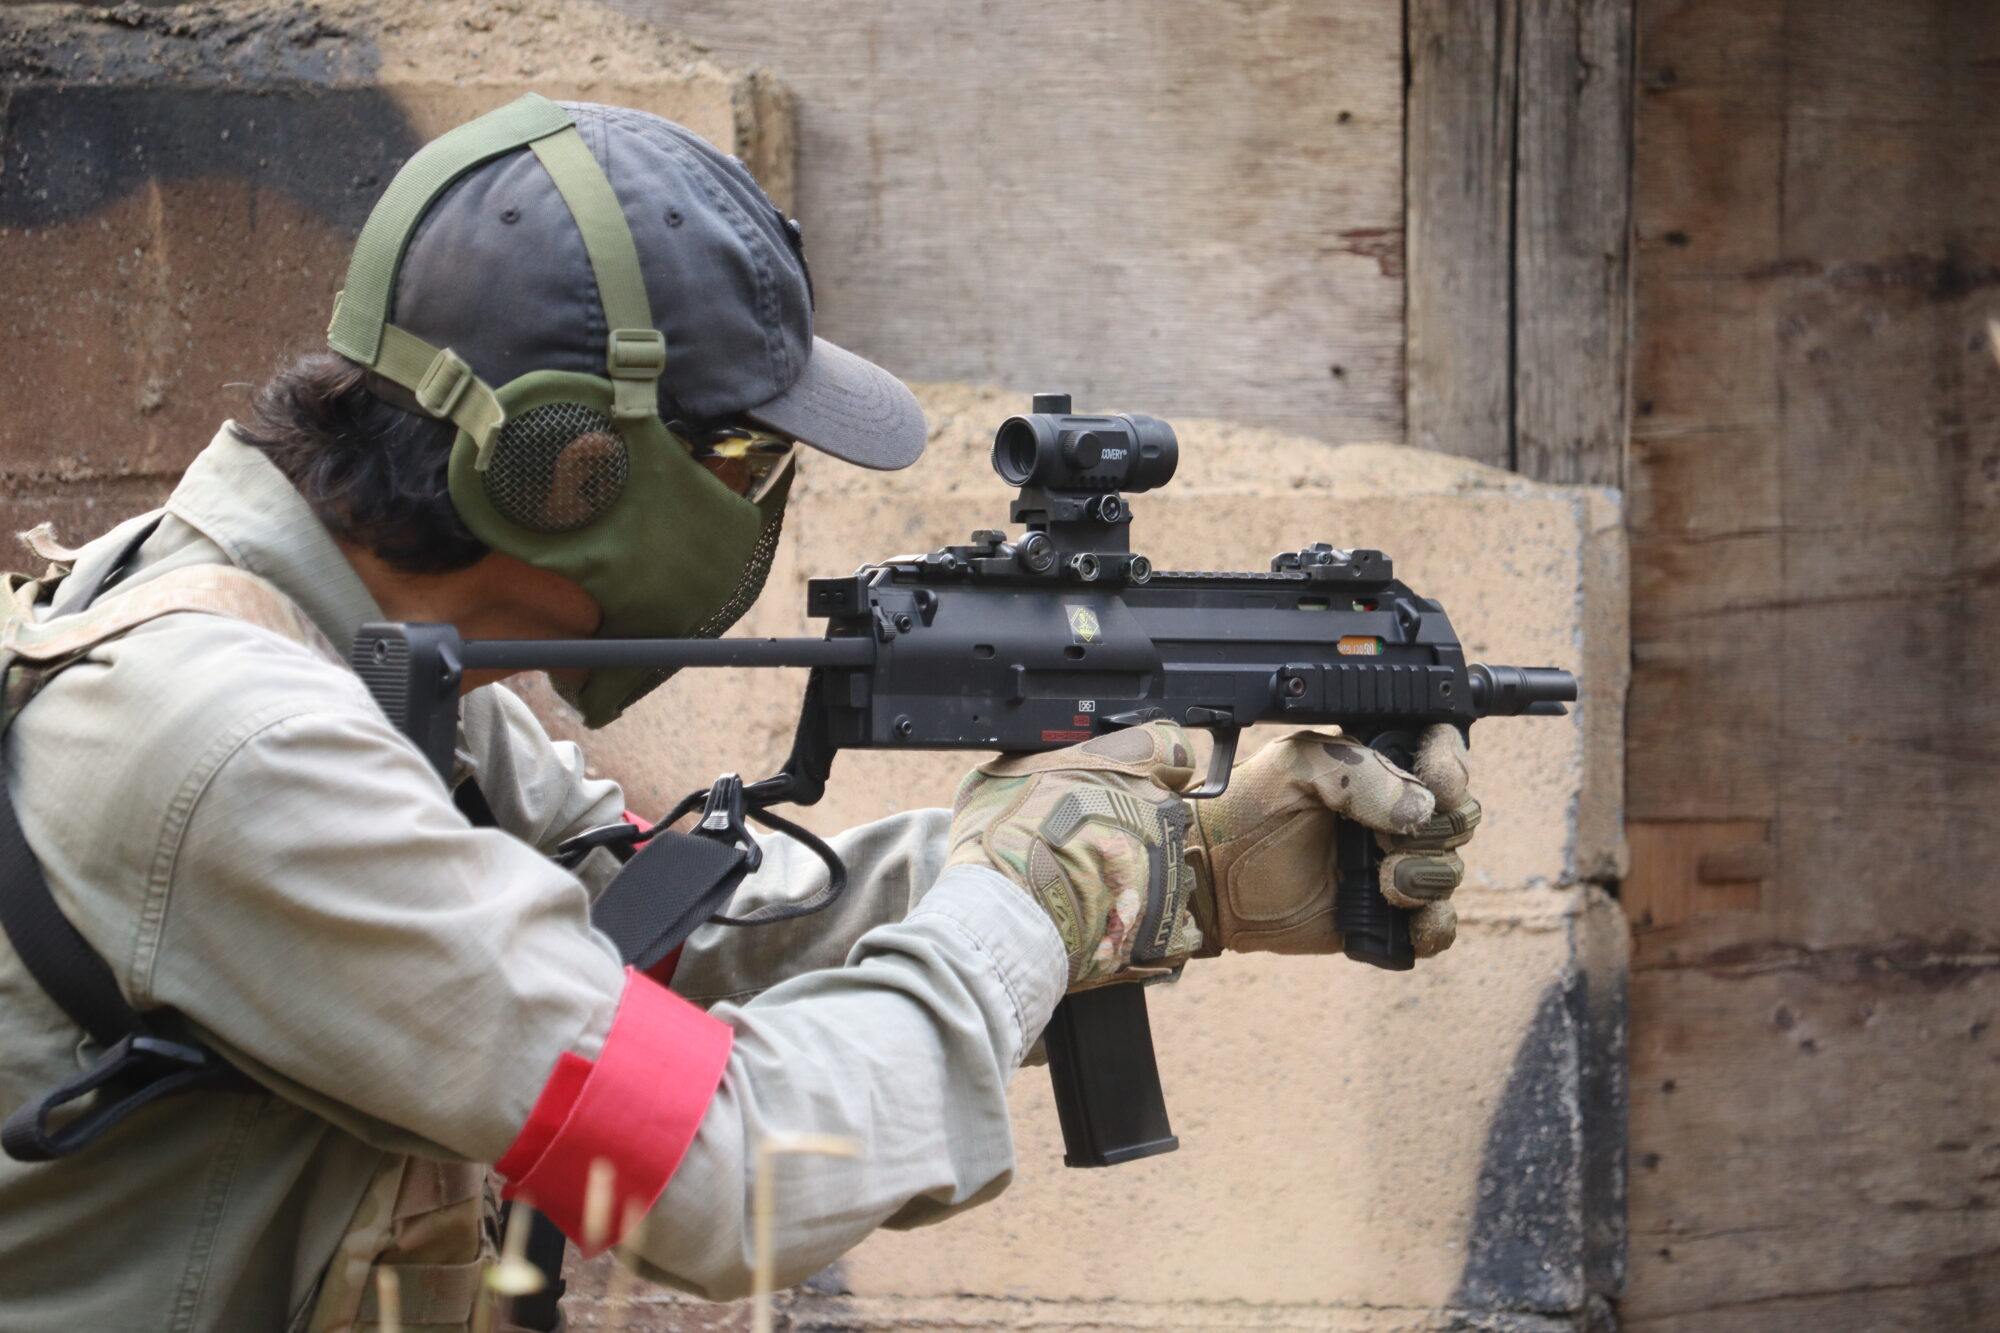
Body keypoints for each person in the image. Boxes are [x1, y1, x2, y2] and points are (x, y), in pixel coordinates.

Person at [0, 97, 1479, 1331]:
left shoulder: (358, 655)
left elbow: (658, 939)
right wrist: (1034, 900)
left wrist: (1179, 866)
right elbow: (721, 1173)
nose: (763, 500)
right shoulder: (248, 745)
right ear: (567, 468)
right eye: (741, 460)